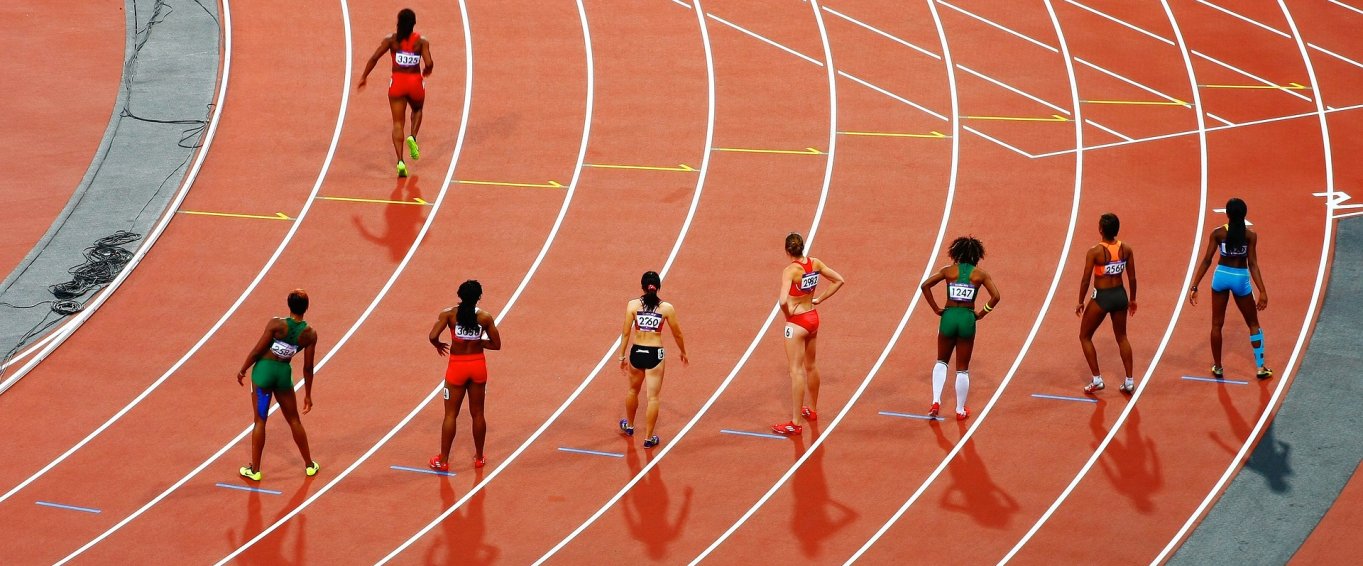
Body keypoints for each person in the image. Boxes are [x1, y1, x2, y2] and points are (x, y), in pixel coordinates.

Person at [236, 290, 320, 481]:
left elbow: (258, 350)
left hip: (263, 374)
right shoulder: (310, 334)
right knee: (294, 420)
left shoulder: (276, 323)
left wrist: (243, 369)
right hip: (283, 376)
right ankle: (309, 465)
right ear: (307, 307)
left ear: (289, 305)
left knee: (260, 421)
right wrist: (308, 394)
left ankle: (255, 471)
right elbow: (308, 367)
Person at [1188, 198, 1272, 379]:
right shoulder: (1250, 236)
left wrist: (1194, 285)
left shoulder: (1218, 233)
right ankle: (1260, 368)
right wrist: (1262, 291)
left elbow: (1206, 260)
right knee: (1253, 324)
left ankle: (1218, 367)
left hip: (1220, 277)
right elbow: (1253, 265)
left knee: (1216, 325)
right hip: (1240, 278)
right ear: (1245, 214)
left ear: (1227, 214)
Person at [919, 236, 1001, 420]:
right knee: (962, 368)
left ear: (955, 253)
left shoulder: (948, 271)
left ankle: (935, 402)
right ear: (976, 256)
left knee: (941, 361)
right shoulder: (980, 275)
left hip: (948, 317)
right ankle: (959, 410)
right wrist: (981, 313)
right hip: (967, 319)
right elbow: (996, 296)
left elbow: (925, 286)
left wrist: (936, 308)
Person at [773, 232, 845, 436]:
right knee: (811, 366)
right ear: (802, 247)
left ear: (787, 251)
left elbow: (782, 301)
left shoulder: (789, 271)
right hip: (813, 317)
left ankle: (795, 423)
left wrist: (789, 316)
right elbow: (839, 280)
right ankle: (812, 410)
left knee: (796, 371)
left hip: (797, 322)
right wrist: (820, 299)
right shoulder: (815, 263)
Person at [429, 280, 501, 471]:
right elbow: (496, 344)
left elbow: (432, 336)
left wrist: (438, 345)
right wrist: (478, 342)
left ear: (459, 295)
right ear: (479, 297)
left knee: (450, 415)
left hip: (456, 368)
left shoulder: (449, 314)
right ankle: (479, 458)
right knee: (478, 413)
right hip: (478, 366)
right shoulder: (485, 318)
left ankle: (443, 461)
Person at [358, 8, 433, 178]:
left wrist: (364, 76)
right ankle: (413, 136)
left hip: (397, 83)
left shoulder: (391, 40)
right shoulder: (421, 42)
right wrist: (428, 70)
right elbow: (429, 62)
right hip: (414, 82)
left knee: (398, 123)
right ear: (414, 23)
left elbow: (374, 57)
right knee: (417, 110)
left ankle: (400, 162)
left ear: (398, 23)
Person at [617, 271, 689, 449]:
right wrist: (683, 351)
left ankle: (630, 427)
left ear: (642, 286)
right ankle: (649, 439)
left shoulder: (632, 305)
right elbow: (677, 333)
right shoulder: (666, 308)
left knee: (633, 391)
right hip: (655, 354)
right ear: (658, 287)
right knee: (653, 398)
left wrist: (622, 355)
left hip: (636, 352)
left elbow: (626, 332)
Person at [1077, 213, 1138, 394]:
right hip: (1120, 295)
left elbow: (1085, 280)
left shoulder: (1094, 252)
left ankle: (1097, 379)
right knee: (1122, 337)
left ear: (1100, 229)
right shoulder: (1126, 249)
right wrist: (1133, 299)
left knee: (1085, 336)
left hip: (1102, 297)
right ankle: (1129, 381)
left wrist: (1080, 301)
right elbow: (1132, 277)